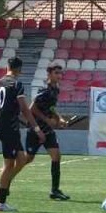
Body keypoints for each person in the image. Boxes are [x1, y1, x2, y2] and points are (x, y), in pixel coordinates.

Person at [0, 57, 45, 212]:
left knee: (21, 159)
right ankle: (0, 202)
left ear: (7, 67)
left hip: (5, 125)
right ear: (20, 69)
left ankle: (1, 190)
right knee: (9, 164)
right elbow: (25, 109)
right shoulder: (16, 84)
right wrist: (37, 129)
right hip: (9, 127)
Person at [21, 64, 70, 200]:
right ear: (49, 74)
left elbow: (51, 107)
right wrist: (47, 121)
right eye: (56, 73)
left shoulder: (56, 90)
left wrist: (59, 118)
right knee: (28, 158)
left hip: (47, 131)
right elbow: (32, 109)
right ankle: (7, 174)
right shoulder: (45, 91)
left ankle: (55, 190)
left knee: (56, 156)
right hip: (36, 129)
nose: (59, 76)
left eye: (60, 73)